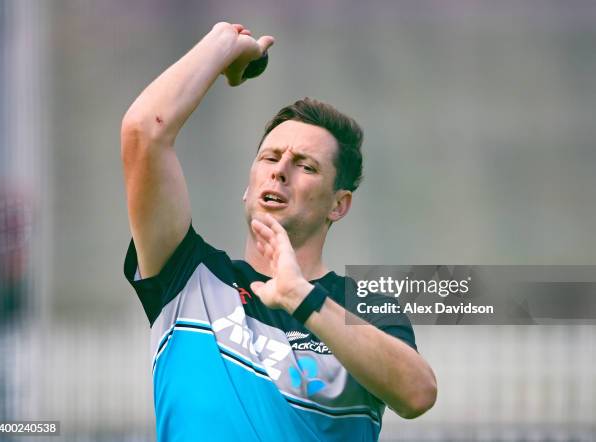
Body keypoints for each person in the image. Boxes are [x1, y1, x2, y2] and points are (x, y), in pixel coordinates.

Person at [121, 22, 437, 442]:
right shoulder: (190, 277)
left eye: (305, 166)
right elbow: (144, 132)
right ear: (248, 186)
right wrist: (222, 45)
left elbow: (418, 394)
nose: (281, 170)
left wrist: (297, 295)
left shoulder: (361, 309)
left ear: (338, 205)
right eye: (270, 157)